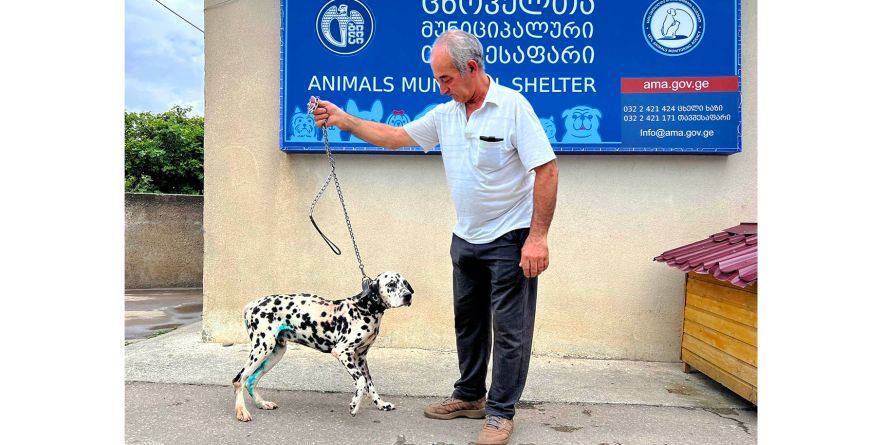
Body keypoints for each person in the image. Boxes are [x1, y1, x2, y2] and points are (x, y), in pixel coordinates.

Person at [312, 30, 558, 445]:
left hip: (510, 238)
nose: (440, 87)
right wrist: (343, 120)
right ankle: (470, 396)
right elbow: (395, 138)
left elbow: (546, 170)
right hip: (465, 239)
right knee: (469, 323)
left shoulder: (513, 107)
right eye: (438, 80)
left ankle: (500, 413)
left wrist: (538, 237)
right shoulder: (446, 114)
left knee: (511, 330)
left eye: (445, 79)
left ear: (472, 69)